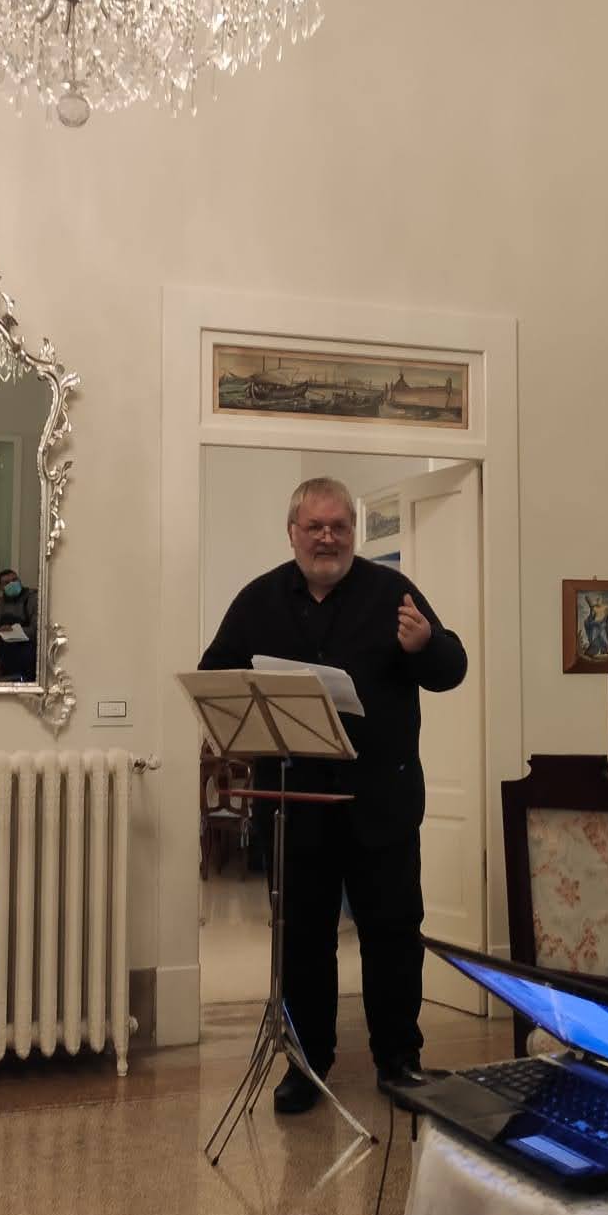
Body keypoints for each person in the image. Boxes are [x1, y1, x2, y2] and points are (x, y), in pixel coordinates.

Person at [200, 476, 468, 1113]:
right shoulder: (257, 600)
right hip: (295, 810)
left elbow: (451, 668)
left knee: (392, 934)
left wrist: (425, 646)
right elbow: (214, 675)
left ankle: (399, 1060)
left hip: (381, 805)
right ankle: (306, 1062)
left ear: (353, 531)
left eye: (339, 526)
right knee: (302, 939)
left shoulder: (393, 593)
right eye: (315, 527)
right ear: (292, 532)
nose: (328, 538)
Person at [0, 568, 38, 682]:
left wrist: (14, 631)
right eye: (7, 583)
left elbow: (38, 632)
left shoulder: (33, 599)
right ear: (1, 588)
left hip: (31, 659)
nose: (12, 584)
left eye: (15, 580)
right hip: (7, 662)